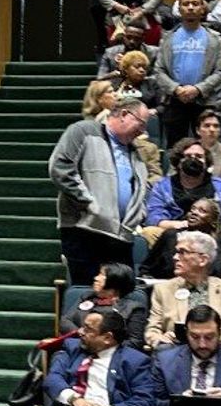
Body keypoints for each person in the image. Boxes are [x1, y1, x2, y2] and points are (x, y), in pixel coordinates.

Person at [48, 95, 149, 284]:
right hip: (84, 230)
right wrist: (89, 203)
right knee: (88, 292)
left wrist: (138, 214)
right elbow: (60, 167)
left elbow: (140, 190)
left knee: (120, 298)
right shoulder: (83, 131)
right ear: (125, 114)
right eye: (141, 124)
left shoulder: (135, 152)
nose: (143, 131)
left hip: (121, 237)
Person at [39, 308, 155, 406]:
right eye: (83, 327)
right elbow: (53, 379)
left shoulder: (135, 361)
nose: (80, 332)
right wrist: (75, 399)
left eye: (88, 329)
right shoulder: (72, 348)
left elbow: (145, 401)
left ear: (107, 338)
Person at [144, 231, 221, 350]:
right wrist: (161, 340)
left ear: (203, 260)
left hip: (220, 355)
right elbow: (152, 330)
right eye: (176, 252)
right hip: (175, 354)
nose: (174, 257)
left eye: (182, 252)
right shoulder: (163, 290)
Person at [150, 0, 221, 144]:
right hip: (174, 100)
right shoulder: (168, 37)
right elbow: (159, 70)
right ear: (179, 9)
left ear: (203, 9)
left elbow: (220, 72)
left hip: (205, 100)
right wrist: (176, 89)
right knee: (176, 150)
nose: (191, 7)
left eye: (195, 4)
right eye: (186, 4)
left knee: (207, 148)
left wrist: (198, 89)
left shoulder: (215, 39)